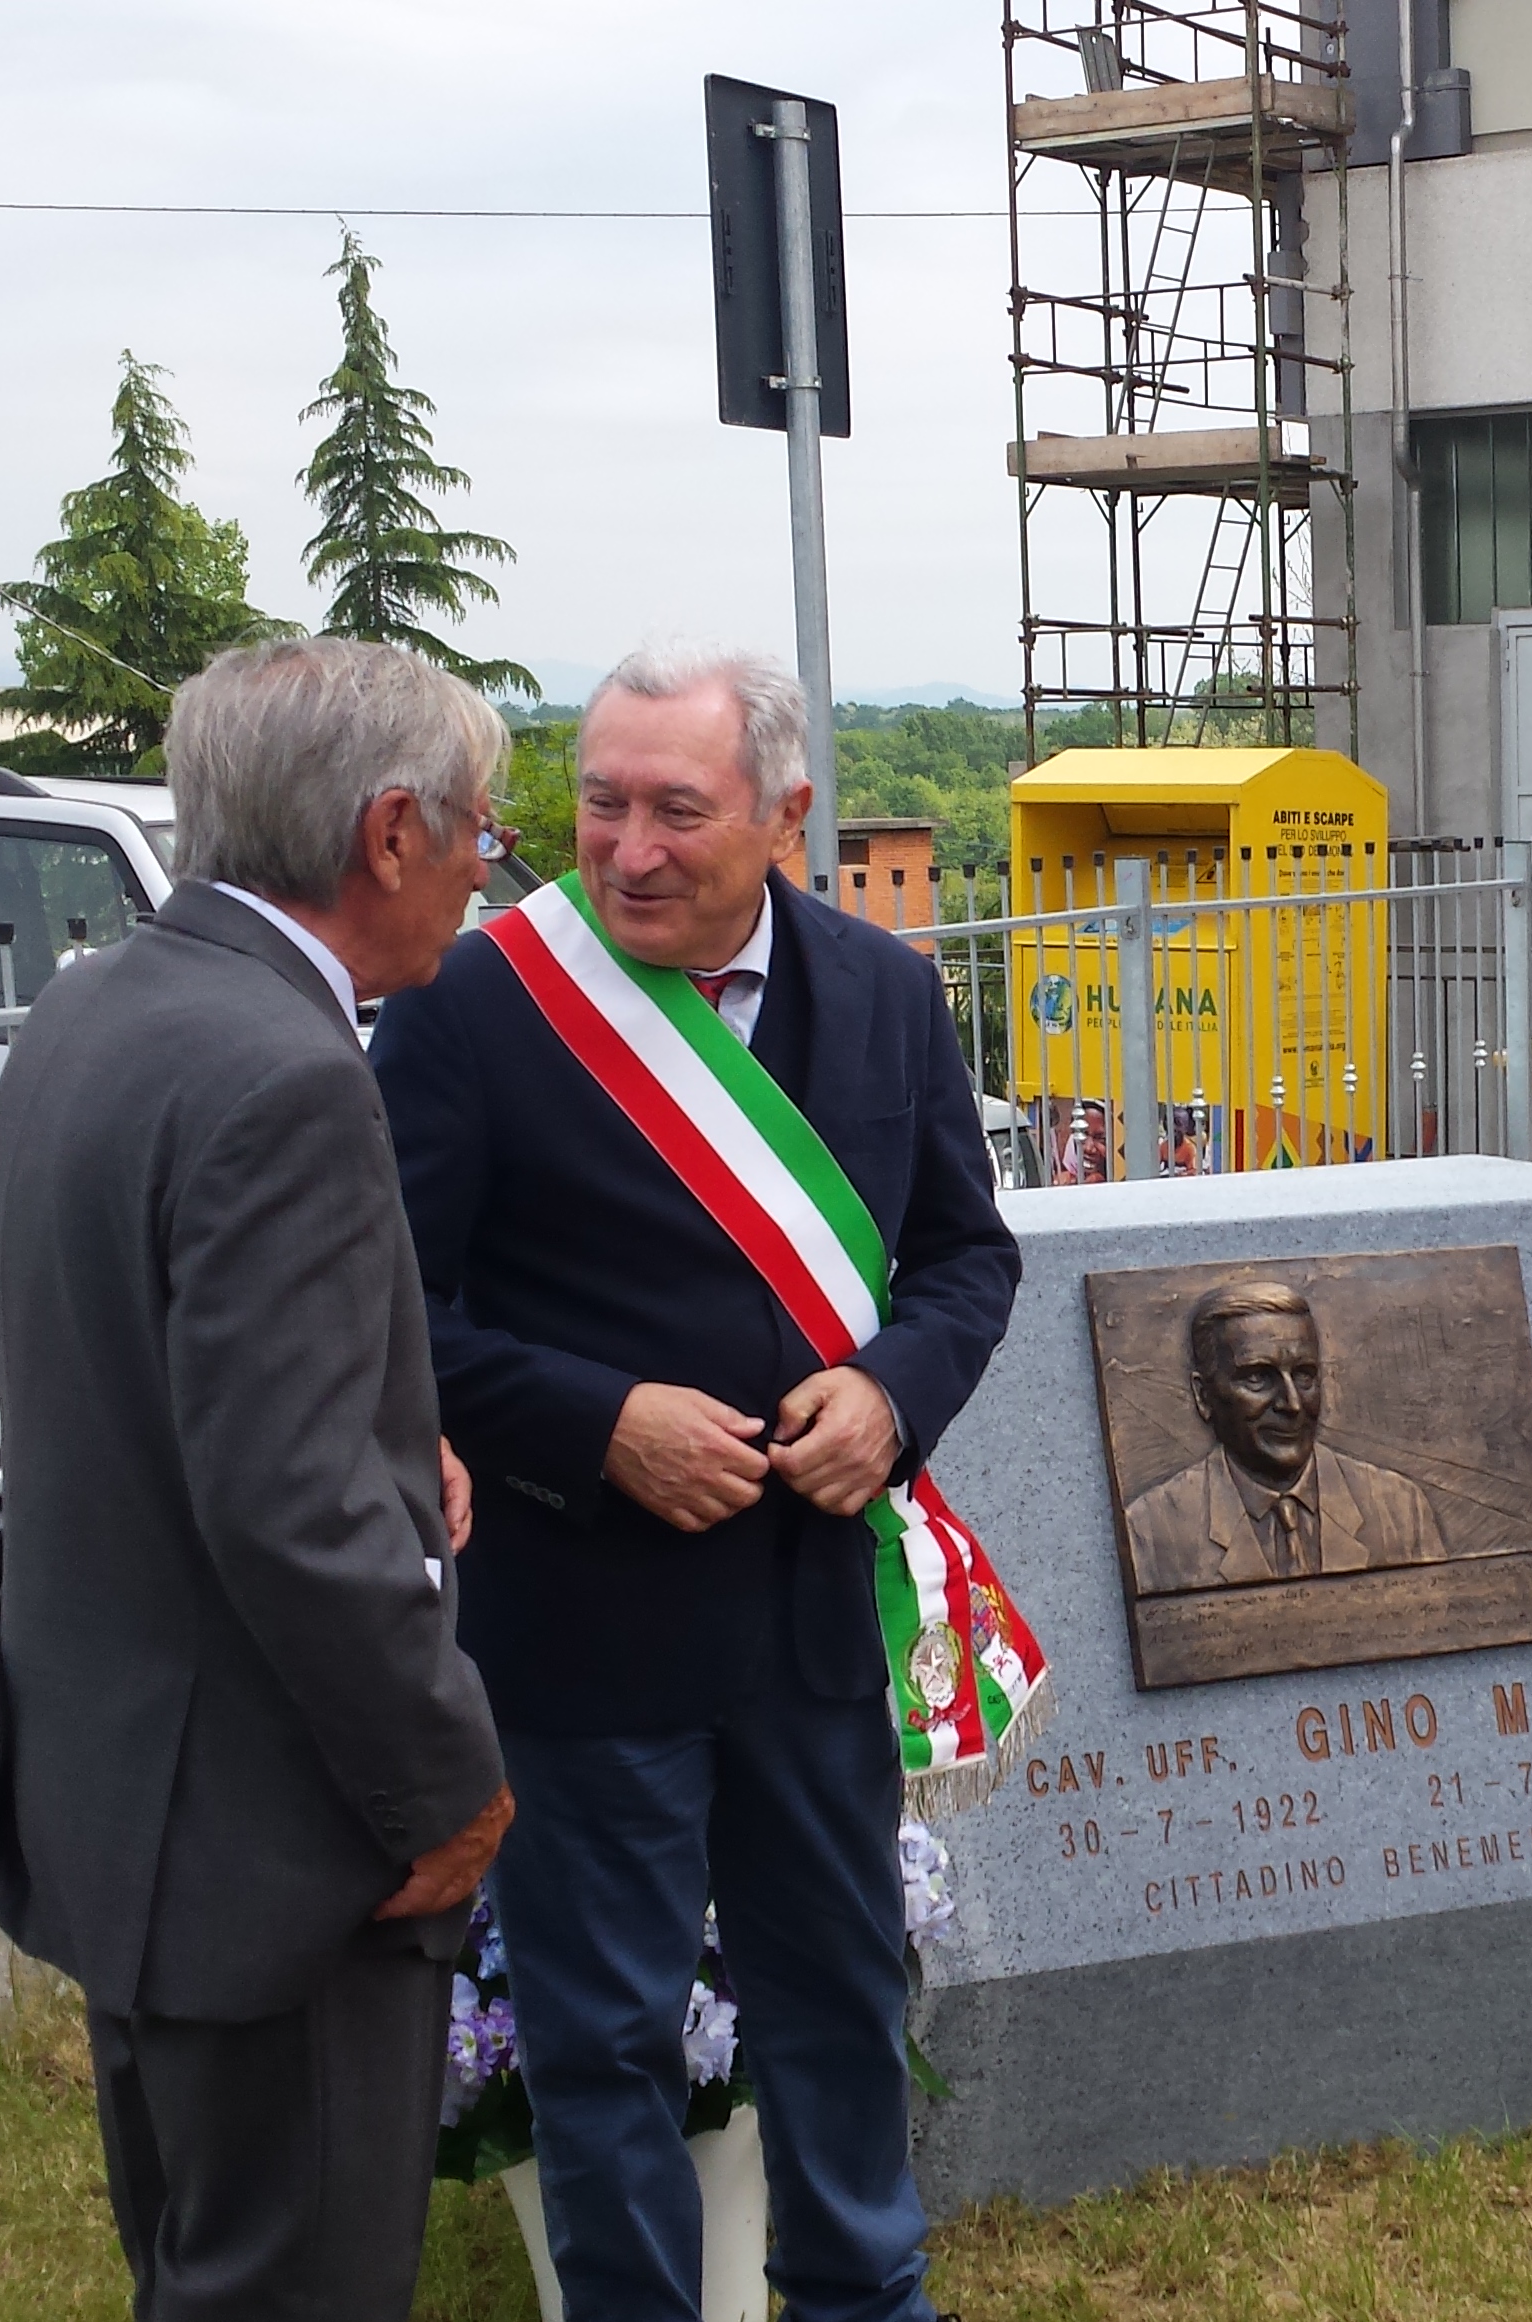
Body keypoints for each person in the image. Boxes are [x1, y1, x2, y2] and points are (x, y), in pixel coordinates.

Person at [369, 639, 1018, 2322]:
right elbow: (386, 1315)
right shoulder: (473, 1006)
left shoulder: (879, 993)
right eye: (600, 803)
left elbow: (964, 1257)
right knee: (601, 2042)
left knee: (838, 1996)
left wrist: (890, 1396)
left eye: (677, 809)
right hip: (584, 1632)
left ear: (786, 814)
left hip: (811, 1625)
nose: (628, 848)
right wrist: (597, 1425)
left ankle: (860, 2296)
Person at [0, 636, 515, 2320]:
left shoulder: (95, 1008)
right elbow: (286, 1508)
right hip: (273, 1849)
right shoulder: (287, 1069)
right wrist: (453, 1782)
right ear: (390, 831)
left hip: (130, 1810)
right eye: (482, 823)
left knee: (200, 2268)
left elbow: (73, 1348)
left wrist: (367, 1422)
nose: (493, 862)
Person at [1119, 1279, 1448, 1593]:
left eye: (1304, 1376)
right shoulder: (1148, 1531)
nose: (1291, 1404)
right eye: (1259, 1379)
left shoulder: (1402, 1510)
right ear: (1204, 1396)